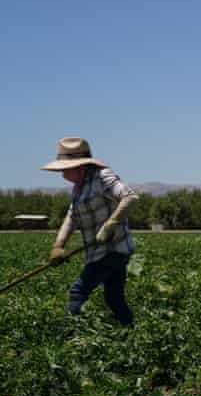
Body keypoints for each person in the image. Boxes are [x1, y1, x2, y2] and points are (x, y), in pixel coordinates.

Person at [42, 137, 139, 326]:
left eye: (64, 168)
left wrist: (110, 224)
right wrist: (58, 246)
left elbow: (130, 197)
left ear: (78, 166)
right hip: (100, 252)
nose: (61, 173)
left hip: (113, 249)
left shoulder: (102, 177)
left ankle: (71, 336)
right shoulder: (78, 189)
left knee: (78, 291)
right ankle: (131, 330)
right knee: (114, 298)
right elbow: (71, 217)